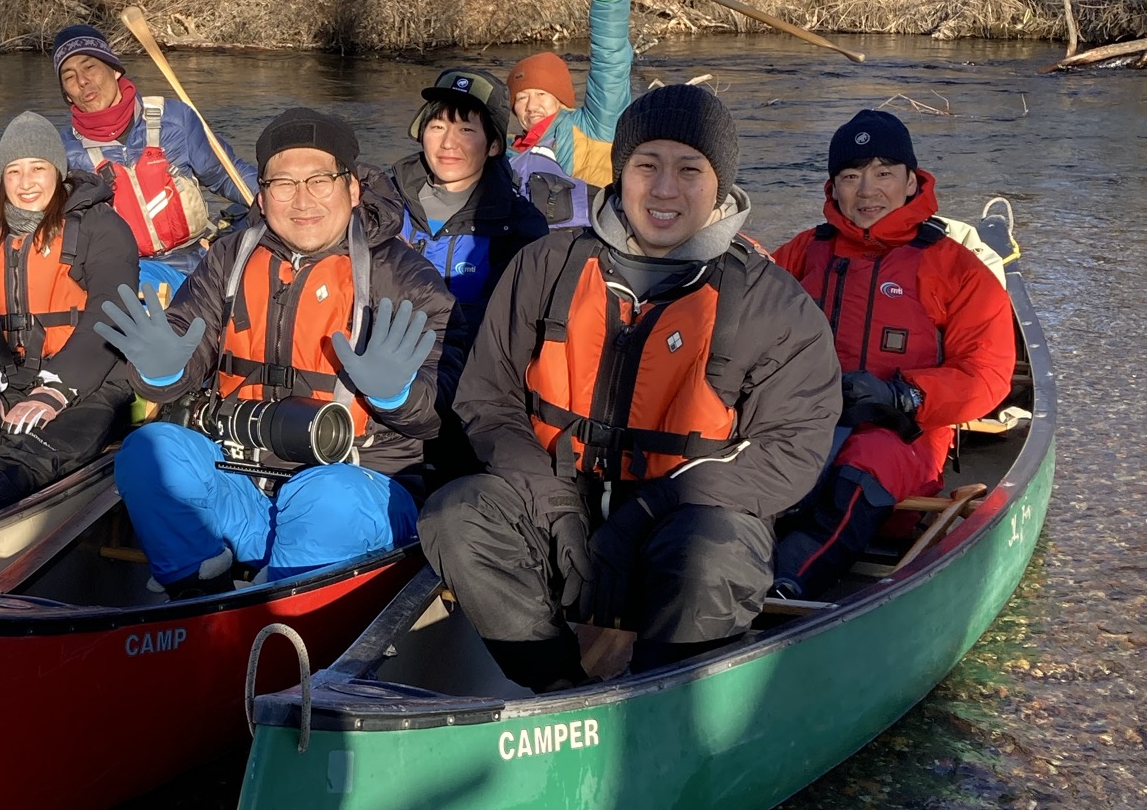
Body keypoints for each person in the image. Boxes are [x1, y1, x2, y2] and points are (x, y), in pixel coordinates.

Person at [420, 85, 840, 690]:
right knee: (456, 513)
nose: (665, 189)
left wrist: (649, 510)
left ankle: (670, 700)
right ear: (620, 173)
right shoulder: (546, 265)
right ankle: (559, 687)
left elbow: (790, 451)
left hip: (683, 529)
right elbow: (490, 400)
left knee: (717, 551)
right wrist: (553, 504)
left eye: (689, 170)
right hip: (557, 514)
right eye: (647, 166)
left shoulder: (774, 305)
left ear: (719, 183)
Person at [91, 107, 455, 594]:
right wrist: (161, 372)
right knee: (148, 452)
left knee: (328, 500)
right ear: (262, 197)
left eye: (319, 181)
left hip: (353, 487)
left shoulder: (407, 278)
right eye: (283, 184)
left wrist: (398, 395)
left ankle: (282, 612)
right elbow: (183, 349)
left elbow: (444, 412)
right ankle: (197, 592)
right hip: (241, 479)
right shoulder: (230, 257)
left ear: (352, 188)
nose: (302, 201)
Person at [769, 109, 1016, 597]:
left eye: (883, 174)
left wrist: (904, 396)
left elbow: (987, 373)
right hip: (805, 419)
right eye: (851, 176)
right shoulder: (804, 252)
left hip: (905, 432)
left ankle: (788, 582)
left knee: (866, 464)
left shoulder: (955, 268)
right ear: (833, 187)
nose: (867, 191)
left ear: (910, 181)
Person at [0, 112, 140, 519]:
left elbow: (112, 309)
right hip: (7, 377)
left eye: (37, 168)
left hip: (93, 382)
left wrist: (57, 389)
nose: (26, 182)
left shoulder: (102, 228)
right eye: (13, 171)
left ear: (57, 170)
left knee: (30, 454)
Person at [376, 64, 548, 473]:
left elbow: (513, 339)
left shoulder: (519, 226)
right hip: (379, 375)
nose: (448, 143)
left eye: (466, 130)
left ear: (493, 144)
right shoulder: (380, 204)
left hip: (465, 397)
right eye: (437, 127)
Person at [52, 22, 254, 286]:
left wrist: (274, 194)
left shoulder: (176, 119)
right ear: (66, 95)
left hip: (195, 261)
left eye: (90, 67)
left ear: (114, 69)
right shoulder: (64, 152)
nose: (82, 81)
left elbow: (225, 175)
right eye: (69, 77)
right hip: (122, 274)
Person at [506, 0, 634, 226]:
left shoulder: (595, 127)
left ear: (560, 99)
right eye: (521, 97)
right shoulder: (506, 153)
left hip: (593, 242)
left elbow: (610, 59)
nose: (531, 105)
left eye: (541, 94)